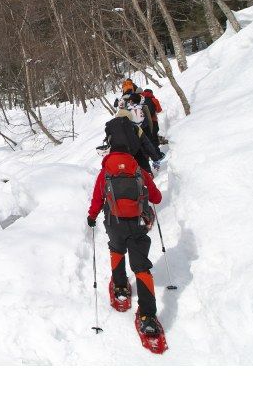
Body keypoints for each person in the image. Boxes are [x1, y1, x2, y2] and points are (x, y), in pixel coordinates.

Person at [87, 148, 164, 337]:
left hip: (115, 223)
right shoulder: (138, 170)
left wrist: (92, 216)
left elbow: (98, 198)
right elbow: (157, 198)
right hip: (137, 224)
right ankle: (148, 318)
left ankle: (120, 286)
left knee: (117, 250)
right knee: (141, 267)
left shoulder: (105, 173)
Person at [104, 107, 161, 174]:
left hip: (117, 154)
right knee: (140, 151)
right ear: (129, 118)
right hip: (134, 152)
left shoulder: (110, 127)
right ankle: (147, 174)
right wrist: (155, 159)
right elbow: (146, 143)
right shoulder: (134, 127)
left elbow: (109, 143)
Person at [141, 88, 164, 158]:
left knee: (148, 139)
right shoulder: (154, 100)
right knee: (154, 137)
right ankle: (158, 155)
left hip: (145, 123)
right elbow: (159, 110)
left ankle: (151, 155)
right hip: (153, 121)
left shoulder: (141, 101)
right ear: (151, 93)